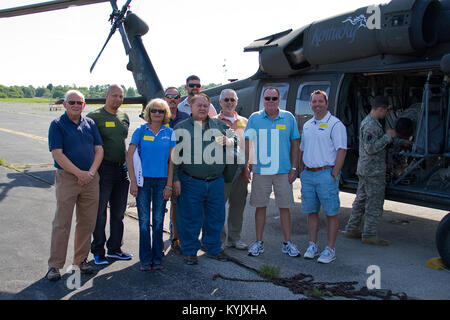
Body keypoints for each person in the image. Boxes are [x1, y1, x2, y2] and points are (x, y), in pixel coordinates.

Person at [46, 90, 104, 281]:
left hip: (90, 179)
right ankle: (55, 266)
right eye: (72, 102)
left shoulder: (90, 124)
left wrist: (91, 173)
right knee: (62, 223)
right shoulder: (57, 125)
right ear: (64, 104)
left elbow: (99, 149)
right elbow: (57, 154)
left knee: (87, 222)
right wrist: (79, 173)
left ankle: (80, 261)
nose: (76, 106)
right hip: (68, 179)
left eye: (80, 103)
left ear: (84, 105)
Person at [172, 93, 236, 265]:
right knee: (190, 218)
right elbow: (173, 157)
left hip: (216, 181)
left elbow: (235, 138)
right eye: (198, 105)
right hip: (191, 181)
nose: (202, 108)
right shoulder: (180, 128)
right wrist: (175, 179)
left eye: (205, 106)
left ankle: (213, 248)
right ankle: (190, 251)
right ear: (191, 107)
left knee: (215, 217)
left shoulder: (220, 125)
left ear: (209, 107)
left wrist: (229, 141)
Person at [243, 87, 301, 258]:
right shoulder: (254, 118)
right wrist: (246, 166)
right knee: (260, 207)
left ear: (279, 100)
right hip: (261, 171)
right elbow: (248, 144)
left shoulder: (288, 117)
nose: (270, 101)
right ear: (263, 99)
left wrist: (294, 168)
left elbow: (295, 143)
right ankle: (259, 242)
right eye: (267, 98)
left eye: (274, 98)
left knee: (285, 207)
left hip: (283, 171)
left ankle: (287, 243)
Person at [126, 99, 176, 271]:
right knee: (144, 221)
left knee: (158, 220)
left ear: (165, 114)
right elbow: (129, 156)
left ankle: (158, 258)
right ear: (149, 112)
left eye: (161, 111)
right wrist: (133, 181)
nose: (157, 114)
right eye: (154, 110)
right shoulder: (140, 131)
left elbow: (172, 161)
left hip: (162, 181)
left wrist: (169, 185)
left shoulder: (169, 133)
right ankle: (146, 260)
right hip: (143, 181)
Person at [299, 90, 347, 264]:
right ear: (310, 104)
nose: (317, 104)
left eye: (320, 101)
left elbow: (342, 149)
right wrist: (302, 171)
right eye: (314, 102)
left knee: (331, 212)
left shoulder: (335, 125)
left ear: (326, 104)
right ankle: (313, 245)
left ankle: (330, 248)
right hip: (308, 175)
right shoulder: (307, 125)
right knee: (311, 211)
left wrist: (334, 173)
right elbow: (302, 148)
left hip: (326, 174)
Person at [87, 84, 133, 265]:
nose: (118, 100)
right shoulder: (94, 117)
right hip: (103, 170)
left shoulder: (124, 116)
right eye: (114, 96)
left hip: (121, 170)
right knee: (99, 213)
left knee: (119, 212)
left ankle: (115, 248)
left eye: (121, 96)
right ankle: (98, 250)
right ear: (106, 95)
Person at [344, 95, 395, 246]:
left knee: (361, 200)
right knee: (374, 202)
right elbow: (371, 148)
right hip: (373, 171)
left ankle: (352, 228)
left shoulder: (371, 122)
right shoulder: (371, 125)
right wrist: (388, 137)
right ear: (381, 109)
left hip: (367, 169)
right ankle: (370, 234)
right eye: (386, 111)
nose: (386, 114)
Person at [214, 89, 248, 250]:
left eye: (232, 100)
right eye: (226, 100)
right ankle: (219, 240)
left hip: (240, 173)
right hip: (222, 173)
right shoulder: (213, 121)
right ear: (220, 102)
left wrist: (248, 167)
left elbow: (249, 146)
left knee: (238, 206)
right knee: (218, 206)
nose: (229, 102)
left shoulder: (245, 121)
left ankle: (235, 238)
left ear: (236, 102)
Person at [164, 87, 188, 254]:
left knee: (177, 205)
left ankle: (176, 238)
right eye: (169, 96)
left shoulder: (186, 118)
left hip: (179, 167)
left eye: (175, 97)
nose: (172, 99)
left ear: (180, 100)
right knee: (159, 207)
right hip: (160, 168)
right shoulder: (157, 116)